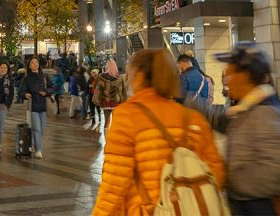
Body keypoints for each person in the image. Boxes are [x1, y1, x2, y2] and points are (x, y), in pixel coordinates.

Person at [92, 49, 225, 215]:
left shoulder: (126, 117)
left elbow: (113, 185)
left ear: (138, 76)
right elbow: (216, 173)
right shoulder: (193, 119)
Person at [189, 41, 280, 215]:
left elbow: (277, 174)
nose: (226, 80)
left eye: (231, 74)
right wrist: (184, 101)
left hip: (259, 209)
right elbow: (219, 120)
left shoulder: (267, 114)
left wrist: (227, 178)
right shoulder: (247, 109)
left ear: (247, 75)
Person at [18, 57, 52, 159]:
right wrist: (26, 94)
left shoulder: (45, 76)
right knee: (37, 129)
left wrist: (46, 92)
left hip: (43, 106)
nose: (34, 64)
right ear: (29, 65)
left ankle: (32, 143)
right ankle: (38, 150)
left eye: (36, 62)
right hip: (32, 106)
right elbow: (21, 92)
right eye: (32, 63)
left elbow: (52, 87)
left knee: (41, 130)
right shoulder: (27, 78)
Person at [93, 59, 128, 130]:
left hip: (105, 101)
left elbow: (96, 89)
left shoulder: (101, 77)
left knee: (106, 121)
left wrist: (98, 100)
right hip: (116, 101)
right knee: (115, 121)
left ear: (106, 66)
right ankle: (114, 138)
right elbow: (124, 91)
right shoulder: (120, 78)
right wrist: (123, 100)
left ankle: (106, 139)